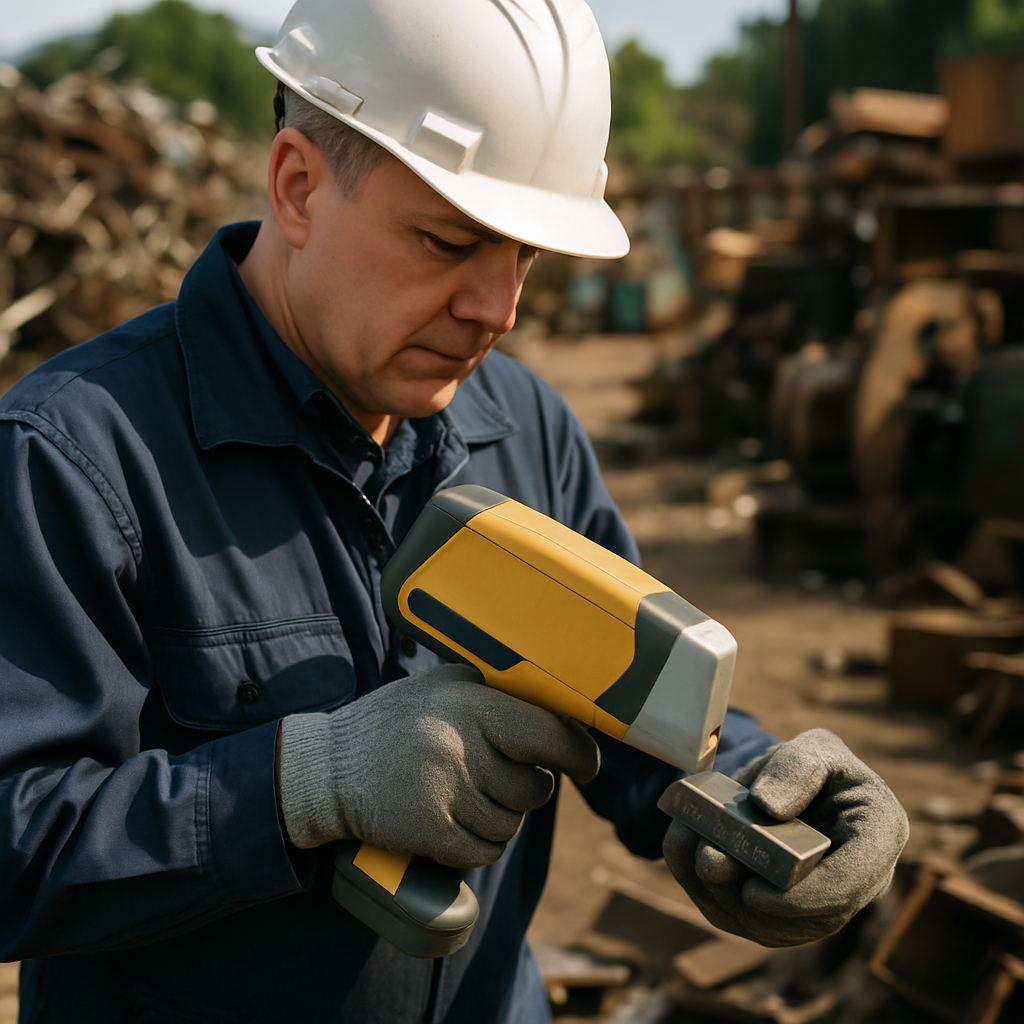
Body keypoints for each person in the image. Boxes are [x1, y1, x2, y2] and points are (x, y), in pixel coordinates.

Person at [0, 2, 908, 1021]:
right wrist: (306, 783)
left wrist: (759, 797)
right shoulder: (77, 460)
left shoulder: (526, 431)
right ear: (297, 185)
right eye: (447, 242)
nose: (498, 309)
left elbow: (632, 705)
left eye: (523, 255)